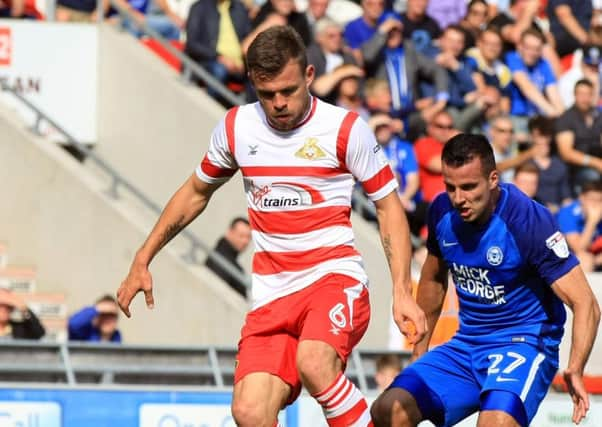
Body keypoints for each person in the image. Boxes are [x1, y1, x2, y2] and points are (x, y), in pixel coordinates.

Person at [116, 26, 426, 427]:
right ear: (252, 84)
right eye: (267, 94)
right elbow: (196, 191)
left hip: (333, 279)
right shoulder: (236, 128)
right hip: (272, 294)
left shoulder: (345, 130)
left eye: (288, 90)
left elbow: (388, 207)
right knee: (249, 411)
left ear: (309, 76)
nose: (278, 103)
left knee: (314, 361)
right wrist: (144, 257)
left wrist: (402, 290)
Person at [371, 133, 601, 427]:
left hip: (523, 343)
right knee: (389, 410)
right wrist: (420, 348)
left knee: (495, 423)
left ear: (493, 179)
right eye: (450, 187)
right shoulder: (442, 211)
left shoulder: (528, 220)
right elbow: (433, 279)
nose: (458, 199)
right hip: (467, 344)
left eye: (469, 187)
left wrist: (576, 367)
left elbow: (586, 304)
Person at [184, 0, 251, 96]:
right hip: (209, 61)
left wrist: (244, 62)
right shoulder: (199, 7)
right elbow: (192, 44)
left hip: (239, 65)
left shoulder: (240, 9)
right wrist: (219, 57)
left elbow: (248, 38)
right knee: (219, 70)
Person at [555, 78, 602, 193]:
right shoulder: (566, 118)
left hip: (598, 163)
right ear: (574, 95)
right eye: (581, 94)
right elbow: (566, 153)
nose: (584, 98)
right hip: (575, 169)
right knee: (592, 176)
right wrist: (596, 163)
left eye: (588, 94)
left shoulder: (598, 115)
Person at [557, 180, 602, 273]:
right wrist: (592, 221)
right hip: (564, 259)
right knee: (585, 260)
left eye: (600, 200)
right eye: (592, 199)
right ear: (582, 198)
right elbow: (579, 249)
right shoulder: (567, 213)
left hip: (594, 256)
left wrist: (596, 260)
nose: (596, 204)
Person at [205, 217, 252, 298]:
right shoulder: (221, 259)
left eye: (248, 237)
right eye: (241, 236)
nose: (245, 241)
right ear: (229, 232)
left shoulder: (227, 259)